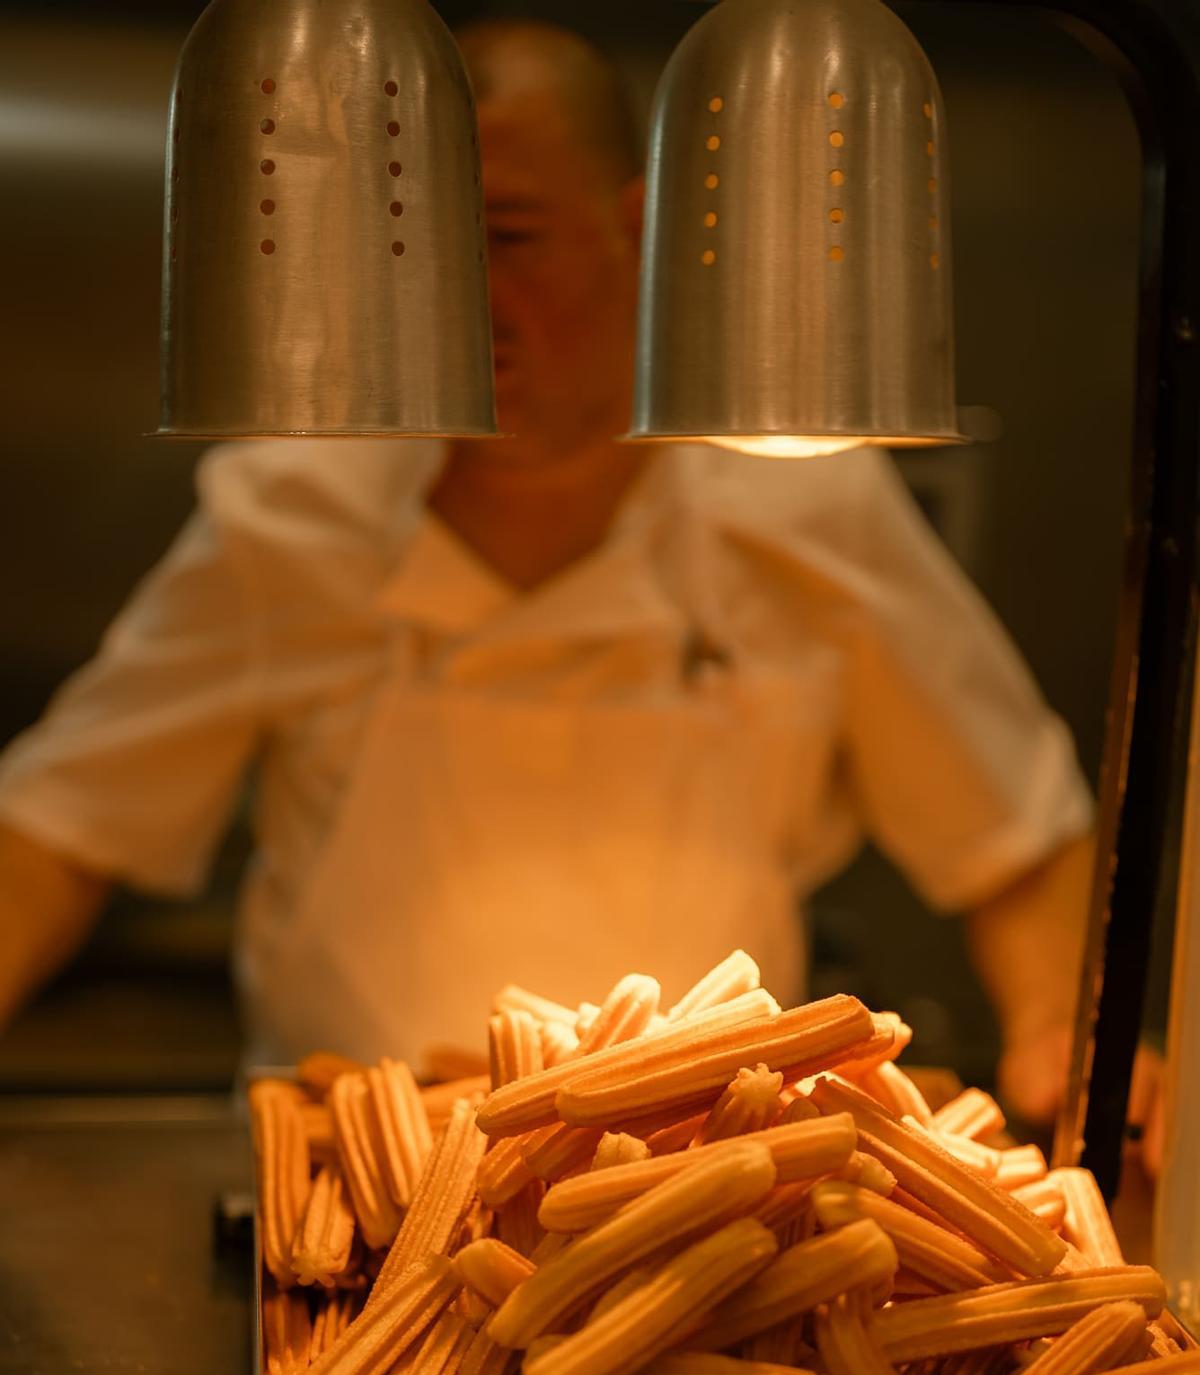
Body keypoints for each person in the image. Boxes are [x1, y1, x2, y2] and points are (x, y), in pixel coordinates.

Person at [0, 20, 1103, 1131]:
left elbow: (1014, 841)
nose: (456, 297)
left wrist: (1068, 1041)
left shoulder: (805, 504)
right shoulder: (295, 512)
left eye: (508, 238)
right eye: (414, 246)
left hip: (702, 1192)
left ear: (637, 230)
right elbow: (54, 837)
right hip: (353, 1182)